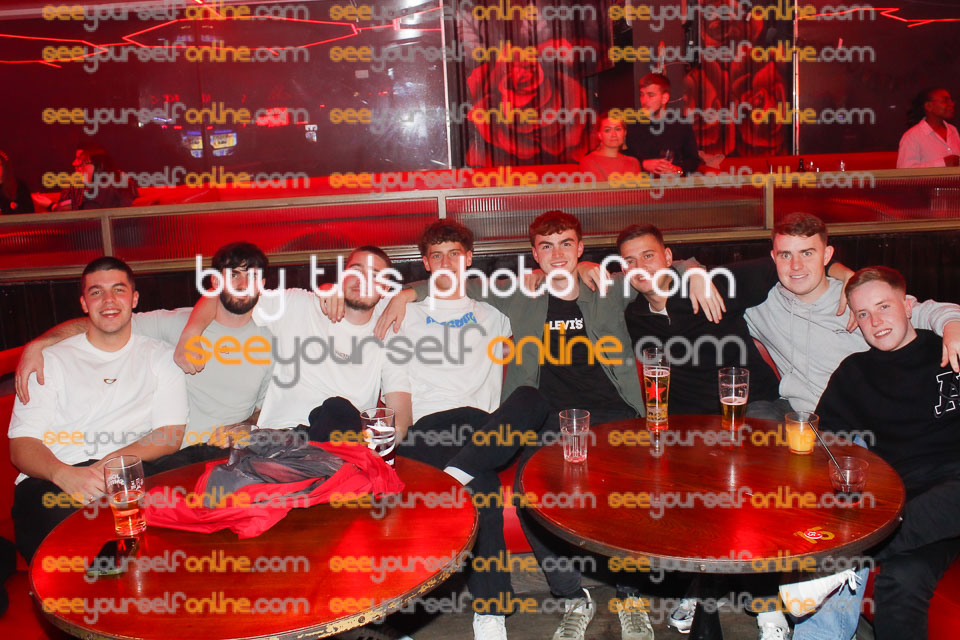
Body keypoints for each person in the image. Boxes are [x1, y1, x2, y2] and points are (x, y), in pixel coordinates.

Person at [379, 211, 654, 640]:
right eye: (547, 246)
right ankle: (571, 596)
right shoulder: (516, 296)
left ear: (581, 248)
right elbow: (455, 284)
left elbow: (657, 272)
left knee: (627, 488)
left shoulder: (606, 287)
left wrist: (693, 275)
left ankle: (630, 595)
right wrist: (403, 294)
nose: (557, 254)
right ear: (535, 255)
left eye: (567, 244)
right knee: (529, 489)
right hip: (547, 420)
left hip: (611, 413)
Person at [8, 257, 188, 561]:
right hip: (55, 477)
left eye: (118, 290)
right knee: (75, 547)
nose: (108, 300)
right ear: (84, 303)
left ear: (134, 299)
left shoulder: (161, 357)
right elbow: (21, 445)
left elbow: (169, 435)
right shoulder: (49, 360)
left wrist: (109, 469)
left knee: (184, 514)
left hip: (129, 469)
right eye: (96, 292)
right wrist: (64, 474)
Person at [816, 266, 960, 640]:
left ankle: (844, 560)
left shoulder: (948, 346)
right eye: (863, 314)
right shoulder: (854, 373)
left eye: (884, 306)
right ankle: (850, 556)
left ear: (908, 305)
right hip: (912, 502)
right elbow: (824, 443)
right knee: (901, 579)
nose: (876, 321)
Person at [14, 242, 273, 449]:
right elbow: (105, 321)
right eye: (233, 275)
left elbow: (267, 407)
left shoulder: (270, 342)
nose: (242, 285)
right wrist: (40, 344)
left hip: (228, 454)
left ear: (262, 285)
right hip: (168, 454)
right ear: (215, 283)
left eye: (252, 276)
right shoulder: (176, 323)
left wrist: (246, 426)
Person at [174, 245, 411, 437]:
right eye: (356, 271)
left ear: (386, 287)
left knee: (337, 410)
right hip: (281, 437)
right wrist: (190, 335)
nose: (362, 280)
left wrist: (379, 450)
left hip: (341, 443)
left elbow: (401, 415)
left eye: (374, 275)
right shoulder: (298, 304)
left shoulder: (388, 333)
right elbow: (226, 294)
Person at [624, 73, 700, 176]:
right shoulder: (632, 125)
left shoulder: (681, 124)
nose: (644, 100)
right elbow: (622, 158)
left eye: (651, 95)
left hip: (673, 183)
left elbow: (693, 160)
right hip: (641, 183)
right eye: (642, 95)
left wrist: (677, 170)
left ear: (665, 98)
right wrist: (643, 164)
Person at [50, 142, 138, 211]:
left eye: (83, 163)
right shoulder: (107, 186)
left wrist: (52, 206)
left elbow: (88, 222)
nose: (79, 167)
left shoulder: (103, 190)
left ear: (98, 166)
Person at [896, 88, 959, 168]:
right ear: (929, 106)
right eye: (945, 101)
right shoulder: (912, 136)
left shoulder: (953, 130)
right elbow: (905, 171)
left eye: (951, 101)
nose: (951, 104)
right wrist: (942, 163)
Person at [577, 112, 641, 181]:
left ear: (625, 133)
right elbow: (601, 188)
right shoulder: (588, 161)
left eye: (617, 129)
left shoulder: (633, 162)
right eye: (607, 130)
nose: (614, 134)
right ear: (599, 135)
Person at [0, 150, 35, 214]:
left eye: (0, 165)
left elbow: (29, 211)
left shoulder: (19, 186)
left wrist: (15, 206)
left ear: (5, 167)